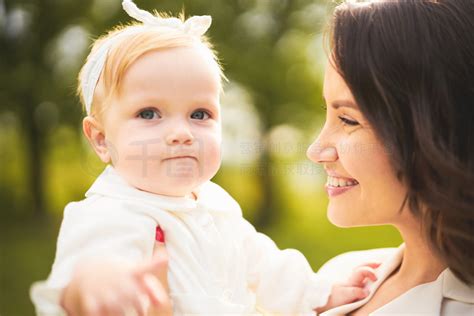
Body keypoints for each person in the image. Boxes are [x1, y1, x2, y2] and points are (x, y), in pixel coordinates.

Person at [30, 1, 378, 315]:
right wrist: (95, 285)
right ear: (102, 139)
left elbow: (262, 263)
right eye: (149, 114)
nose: (181, 132)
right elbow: (90, 262)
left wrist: (316, 293)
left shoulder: (213, 202)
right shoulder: (112, 212)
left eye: (199, 114)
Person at [305, 0, 474, 314]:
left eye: (349, 120)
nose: (315, 151)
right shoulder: (340, 278)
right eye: (327, 112)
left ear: (438, 133)